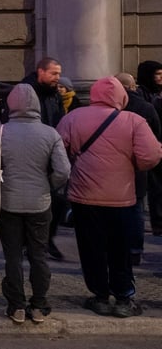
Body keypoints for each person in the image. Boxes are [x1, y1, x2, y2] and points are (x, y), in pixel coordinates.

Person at [57, 76, 162, 318]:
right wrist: (132, 163)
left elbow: (58, 151)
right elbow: (151, 156)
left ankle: (100, 296)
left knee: (91, 247)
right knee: (119, 249)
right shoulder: (134, 120)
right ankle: (124, 297)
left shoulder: (73, 118)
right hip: (121, 197)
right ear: (121, 96)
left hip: (84, 197)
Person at [0, 83, 70, 324]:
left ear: (11, 106)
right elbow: (64, 170)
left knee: (12, 256)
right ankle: (39, 305)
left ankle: (16, 305)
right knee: (39, 255)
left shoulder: (0, 132)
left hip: (8, 202)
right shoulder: (51, 133)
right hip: (40, 202)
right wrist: (47, 183)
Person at [19, 57, 66, 260]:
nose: (58, 77)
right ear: (41, 71)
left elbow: (59, 118)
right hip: (30, 153)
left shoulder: (54, 93)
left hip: (51, 151)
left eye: (59, 73)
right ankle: (29, 242)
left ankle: (46, 239)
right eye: (54, 73)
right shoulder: (26, 91)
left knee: (57, 201)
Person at [116, 72, 161, 264]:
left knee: (117, 210)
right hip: (139, 166)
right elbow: (157, 137)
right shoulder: (147, 107)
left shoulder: (111, 109)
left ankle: (117, 247)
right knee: (136, 209)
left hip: (115, 167)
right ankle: (135, 249)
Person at [136, 60, 162, 236]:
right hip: (150, 145)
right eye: (157, 74)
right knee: (154, 187)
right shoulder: (141, 95)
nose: (160, 78)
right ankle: (157, 223)